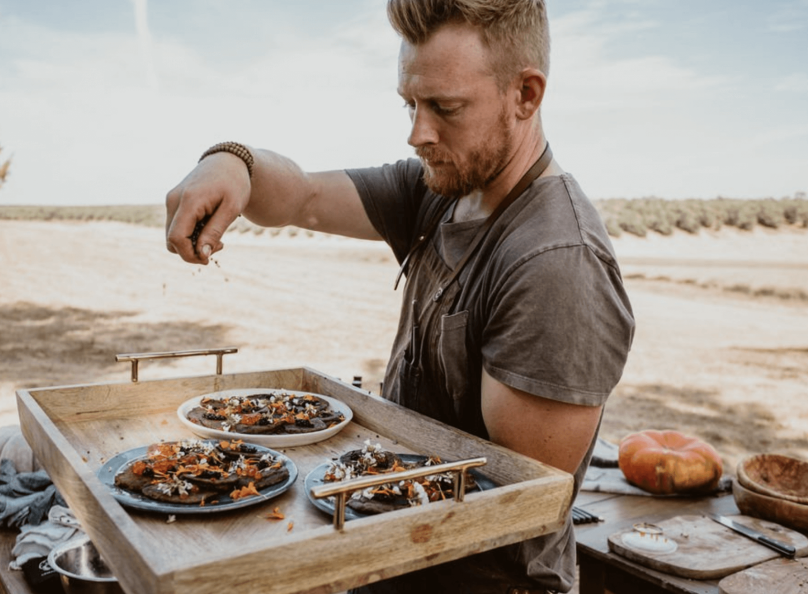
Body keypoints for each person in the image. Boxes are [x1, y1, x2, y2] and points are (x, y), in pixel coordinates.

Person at [164, 0, 635, 592]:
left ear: (526, 95)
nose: (418, 133)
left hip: (481, 576)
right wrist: (231, 163)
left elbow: (513, 501)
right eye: (410, 104)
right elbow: (303, 195)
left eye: (445, 107)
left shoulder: (555, 264)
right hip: (392, 542)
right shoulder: (442, 185)